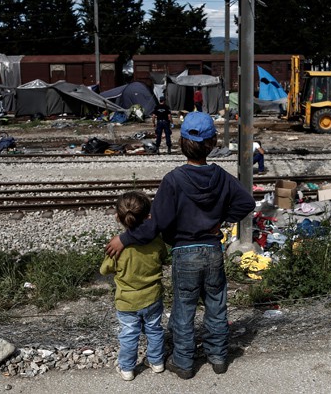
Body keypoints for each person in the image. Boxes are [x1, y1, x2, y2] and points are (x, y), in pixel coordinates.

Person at [105, 112, 256, 380]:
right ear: (212, 142)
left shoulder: (173, 180)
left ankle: (184, 363)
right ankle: (219, 356)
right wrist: (221, 220)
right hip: (212, 252)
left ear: (181, 142)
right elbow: (247, 203)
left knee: (184, 310)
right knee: (216, 305)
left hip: (184, 254)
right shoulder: (221, 177)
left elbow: (156, 224)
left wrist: (124, 238)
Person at [100, 191, 168, 381]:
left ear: (117, 218)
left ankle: (128, 368)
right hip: (153, 296)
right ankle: (156, 362)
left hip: (127, 301)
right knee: (154, 329)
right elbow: (164, 257)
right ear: (148, 216)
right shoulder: (156, 241)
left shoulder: (117, 247)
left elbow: (105, 269)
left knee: (129, 334)